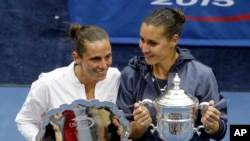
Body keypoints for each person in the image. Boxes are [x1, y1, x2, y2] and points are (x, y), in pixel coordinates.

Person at [116, 7, 228, 141]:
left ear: (174, 40)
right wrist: (140, 126)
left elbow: (220, 132)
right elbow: (122, 131)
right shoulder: (131, 75)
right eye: (142, 39)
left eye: (152, 43)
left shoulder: (202, 75)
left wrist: (211, 124)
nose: (144, 48)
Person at [15, 23, 121, 141]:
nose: (104, 65)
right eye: (95, 59)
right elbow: (24, 120)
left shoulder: (115, 77)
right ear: (76, 57)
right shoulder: (48, 84)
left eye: (108, 57)